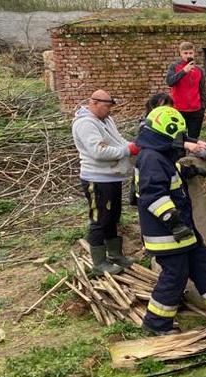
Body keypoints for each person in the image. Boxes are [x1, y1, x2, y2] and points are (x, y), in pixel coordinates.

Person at [134, 105, 206, 335]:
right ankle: (156, 323)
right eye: (177, 135)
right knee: (175, 276)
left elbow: (170, 175)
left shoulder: (160, 155)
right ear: (167, 132)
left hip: (183, 231)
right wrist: (174, 221)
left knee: (204, 264)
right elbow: (153, 195)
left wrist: (188, 173)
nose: (180, 140)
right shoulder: (150, 158)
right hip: (168, 233)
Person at [72, 89, 137, 275]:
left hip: (112, 177)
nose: (109, 110)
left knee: (112, 217)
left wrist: (131, 146)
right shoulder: (85, 124)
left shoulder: (106, 120)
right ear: (93, 103)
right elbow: (99, 152)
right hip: (97, 179)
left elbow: (117, 141)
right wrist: (128, 150)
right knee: (99, 219)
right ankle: (99, 263)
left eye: (110, 106)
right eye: (106, 106)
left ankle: (115, 255)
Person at [166, 42, 206, 139]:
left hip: (196, 111)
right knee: (178, 139)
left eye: (190, 53)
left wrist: (203, 107)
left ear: (194, 53)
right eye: (185, 53)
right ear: (180, 53)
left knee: (193, 139)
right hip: (178, 110)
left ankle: (191, 154)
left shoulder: (199, 70)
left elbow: (203, 90)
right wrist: (184, 71)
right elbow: (170, 82)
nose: (188, 55)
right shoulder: (174, 67)